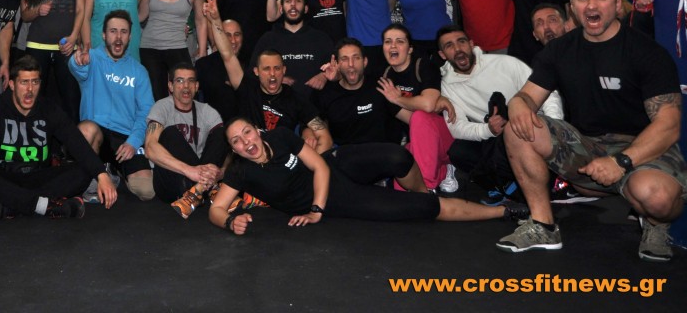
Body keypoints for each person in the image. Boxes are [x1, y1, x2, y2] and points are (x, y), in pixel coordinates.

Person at [498, 0, 686, 261]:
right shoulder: (559, 50)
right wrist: (518, 105)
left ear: (617, 4)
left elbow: (669, 125)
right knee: (517, 127)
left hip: (642, 148)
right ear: (572, 7)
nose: (591, 5)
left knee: (657, 199)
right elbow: (526, 97)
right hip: (588, 150)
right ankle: (543, 226)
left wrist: (621, 161)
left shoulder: (646, 52)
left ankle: (654, 223)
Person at [209, 117, 528, 234]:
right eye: (236, 141)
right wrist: (230, 222)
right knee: (423, 210)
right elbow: (216, 209)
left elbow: (319, 166)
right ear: (233, 149)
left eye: (246, 132)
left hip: (332, 169)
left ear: (257, 129)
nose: (245, 142)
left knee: (397, 155)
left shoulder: (279, 137)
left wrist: (315, 210)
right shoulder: (240, 171)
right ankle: (503, 211)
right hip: (337, 198)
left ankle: (423, 189)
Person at [0, 56, 118, 222]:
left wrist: (102, 174)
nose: (30, 89)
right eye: (24, 82)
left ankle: (12, 206)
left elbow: (76, 142)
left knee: (83, 171)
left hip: (40, 176)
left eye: (35, 82)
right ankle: (48, 207)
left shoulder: (49, 109)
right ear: (12, 85)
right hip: (6, 176)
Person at [423, 26, 563, 202]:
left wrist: (553, 126)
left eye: (461, 42)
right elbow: (456, 127)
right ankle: (503, 186)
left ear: (471, 44)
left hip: (532, 127)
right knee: (459, 152)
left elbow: (547, 91)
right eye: (449, 46)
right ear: (442, 54)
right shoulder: (446, 86)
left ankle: (540, 182)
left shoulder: (505, 63)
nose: (458, 49)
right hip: (495, 137)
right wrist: (488, 129)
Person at [202, 0, 331, 152]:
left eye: (277, 68)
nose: (272, 74)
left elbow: (325, 138)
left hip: (282, 160)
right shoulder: (247, 87)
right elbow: (227, 54)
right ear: (256, 71)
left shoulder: (296, 99)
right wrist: (216, 21)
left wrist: (309, 162)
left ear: (284, 71)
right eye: (266, 69)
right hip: (250, 157)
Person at [70, 10, 156, 201]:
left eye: (123, 32)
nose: (118, 37)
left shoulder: (139, 71)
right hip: (97, 134)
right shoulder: (92, 57)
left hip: (124, 139)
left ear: (130, 36)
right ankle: (97, 173)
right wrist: (78, 62)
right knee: (86, 130)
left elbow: (146, 112)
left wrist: (134, 141)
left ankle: (113, 173)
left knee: (146, 191)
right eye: (113, 31)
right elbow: (77, 67)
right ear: (103, 35)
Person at [144, 64, 229, 218]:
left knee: (224, 133)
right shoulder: (161, 107)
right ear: (170, 86)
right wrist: (190, 171)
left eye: (191, 81)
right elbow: (150, 148)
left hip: (198, 179)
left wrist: (220, 173)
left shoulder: (207, 111)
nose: (186, 86)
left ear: (197, 86)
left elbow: (225, 146)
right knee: (170, 133)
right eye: (180, 81)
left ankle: (199, 190)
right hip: (171, 181)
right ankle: (211, 189)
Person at [374, 23, 450, 191]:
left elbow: (428, 105)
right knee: (400, 185)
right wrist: (417, 102)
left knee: (421, 117)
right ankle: (443, 171)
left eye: (399, 41)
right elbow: (410, 119)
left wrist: (398, 98)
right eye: (388, 41)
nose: (393, 46)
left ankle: (427, 187)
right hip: (418, 140)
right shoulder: (384, 78)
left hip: (446, 137)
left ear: (410, 49)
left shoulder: (424, 66)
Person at [23, 0, 85, 122]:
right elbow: (25, 15)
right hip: (37, 46)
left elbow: (81, 9)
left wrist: (74, 37)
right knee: (34, 99)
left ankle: (71, 140)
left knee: (71, 101)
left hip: (67, 46)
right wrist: (37, 10)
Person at [139, 0, 208, 99]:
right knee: (156, 97)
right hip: (149, 48)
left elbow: (200, 21)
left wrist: (203, 50)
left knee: (185, 94)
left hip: (177, 46)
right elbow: (140, 16)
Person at [314, 39, 408, 146]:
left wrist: (399, 100)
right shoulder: (327, 93)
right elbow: (311, 122)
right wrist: (309, 135)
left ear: (365, 62)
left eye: (356, 58)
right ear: (337, 64)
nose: (351, 64)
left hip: (383, 151)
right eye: (344, 59)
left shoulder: (382, 86)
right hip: (345, 153)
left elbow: (411, 119)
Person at [251, 0, 334, 98]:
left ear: (305, 8)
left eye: (298, 1)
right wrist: (274, 79)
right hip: (277, 105)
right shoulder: (267, 40)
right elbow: (252, 74)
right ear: (281, 8)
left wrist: (324, 76)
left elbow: (337, 71)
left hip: (316, 106)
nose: (293, 5)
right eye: (288, 1)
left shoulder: (321, 38)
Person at [195, 18, 244, 122]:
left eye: (237, 34)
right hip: (212, 125)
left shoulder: (251, 64)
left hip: (243, 125)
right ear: (219, 37)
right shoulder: (204, 65)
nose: (233, 40)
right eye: (228, 35)